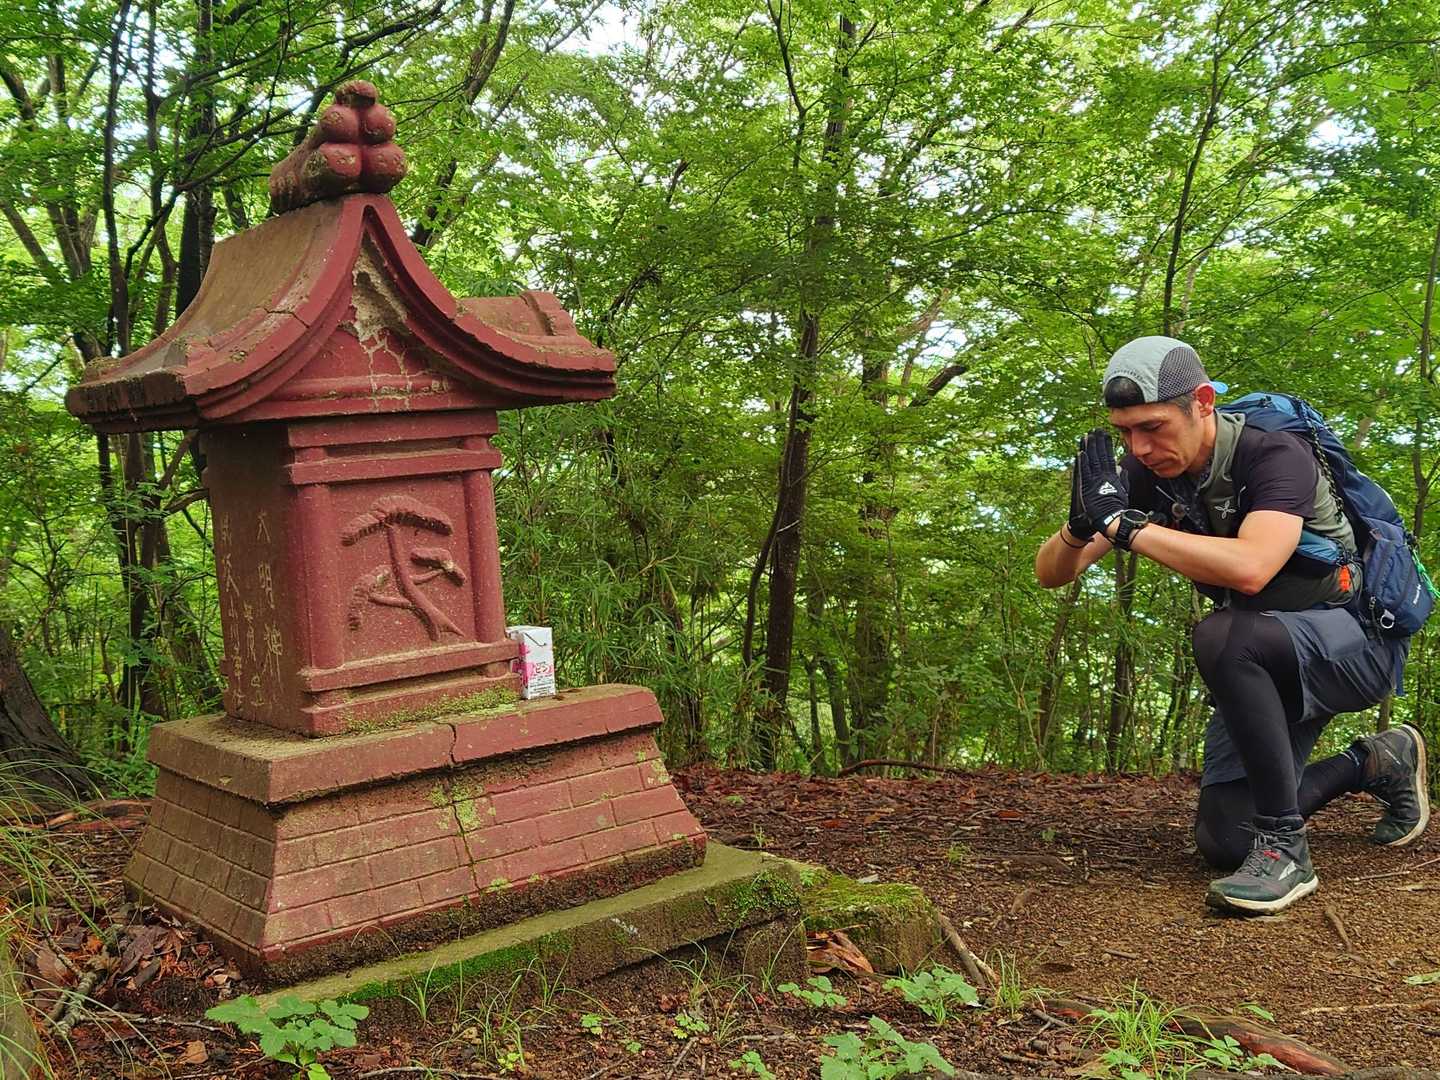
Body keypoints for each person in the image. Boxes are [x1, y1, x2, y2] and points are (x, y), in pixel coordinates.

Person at [1034, 335, 1429, 915]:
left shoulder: (1273, 454)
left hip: (1354, 641)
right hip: (1264, 660)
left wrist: (1124, 526)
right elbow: (1052, 574)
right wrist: (1079, 525)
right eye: (1125, 432)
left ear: (1202, 402)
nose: (1139, 447)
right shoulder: (1148, 472)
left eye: (1152, 427)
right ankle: (1375, 761)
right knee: (1225, 839)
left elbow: (1251, 569)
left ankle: (1286, 850)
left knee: (1222, 633)